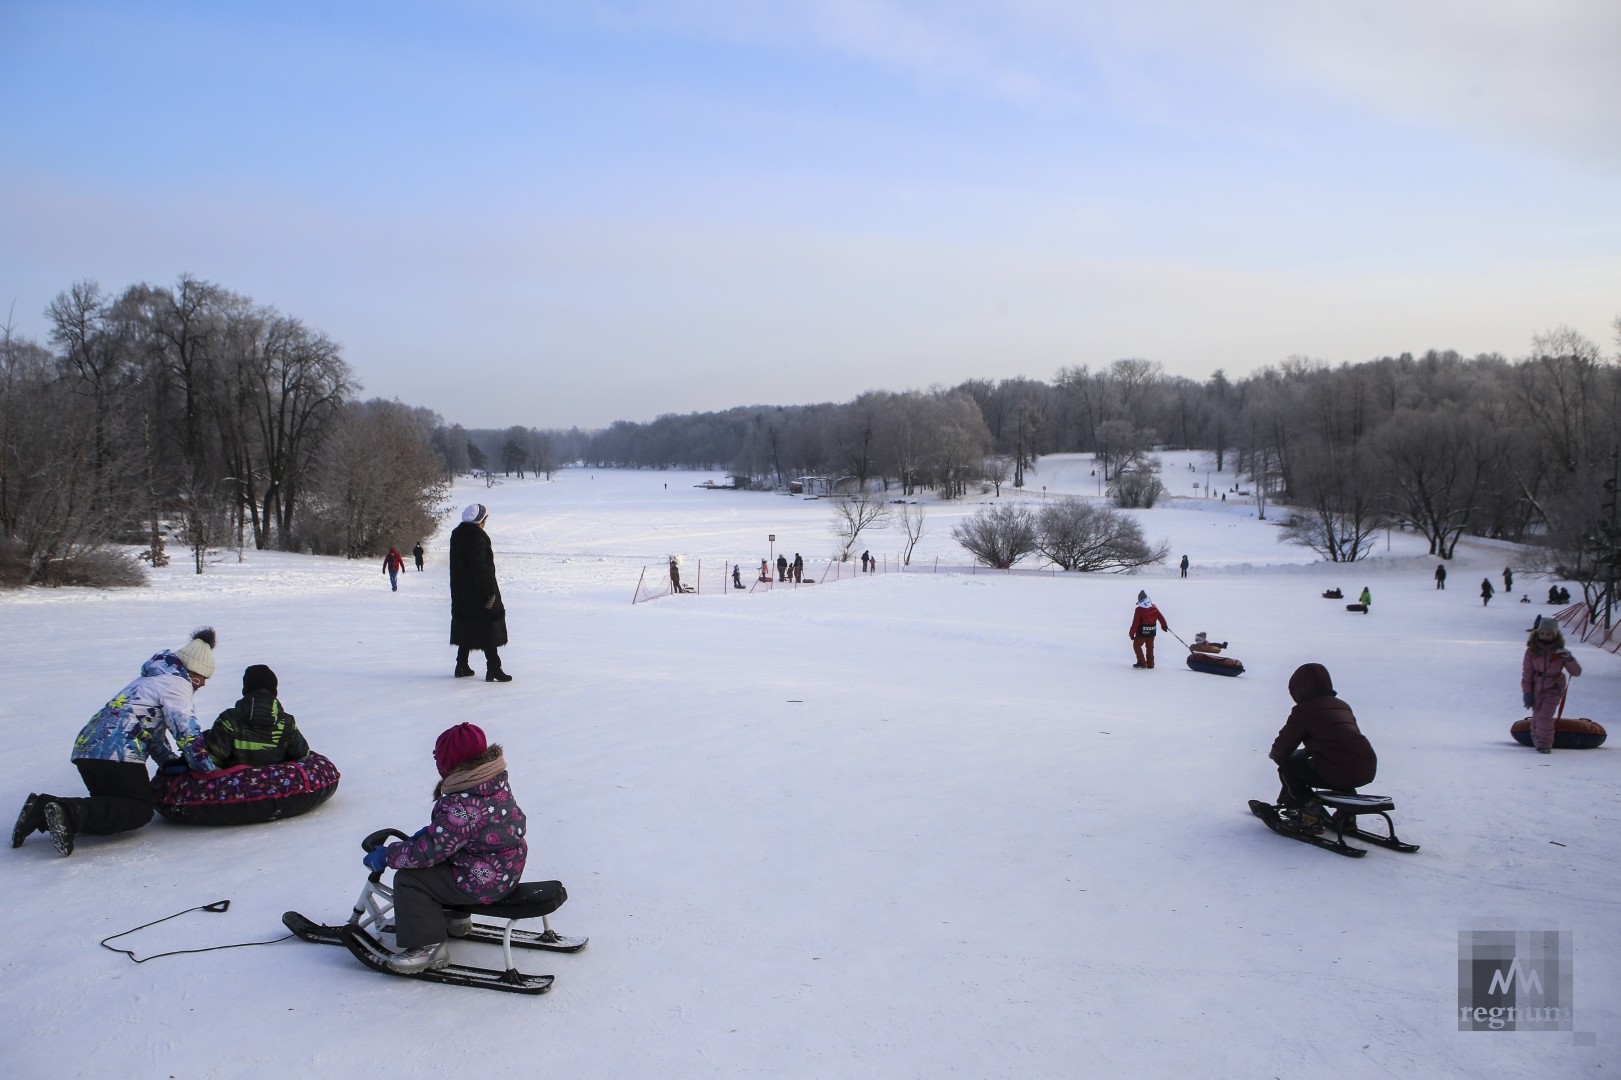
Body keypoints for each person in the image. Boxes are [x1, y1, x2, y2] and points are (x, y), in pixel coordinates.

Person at [13, 628, 219, 856]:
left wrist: (168, 762)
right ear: (192, 673)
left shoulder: (149, 681)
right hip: (116, 753)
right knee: (138, 808)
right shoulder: (176, 684)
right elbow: (186, 730)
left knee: (110, 804)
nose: (201, 686)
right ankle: (67, 812)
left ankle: (41, 808)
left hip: (87, 750)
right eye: (201, 681)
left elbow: (151, 732)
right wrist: (207, 770)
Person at [361, 723, 527, 973]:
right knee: (445, 865)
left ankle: (427, 947)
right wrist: (431, 832)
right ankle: (456, 918)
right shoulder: (491, 782)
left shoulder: (460, 803)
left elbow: (428, 852)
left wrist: (389, 855)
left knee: (411, 880)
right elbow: (467, 832)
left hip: (483, 880)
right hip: (505, 869)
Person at [1268, 663, 1377, 830]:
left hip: (1337, 768)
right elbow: (1336, 740)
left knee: (1288, 768)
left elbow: (1283, 746)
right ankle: (1346, 817)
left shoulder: (1305, 710)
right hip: (1366, 766)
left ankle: (1307, 814)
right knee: (1342, 767)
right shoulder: (1341, 705)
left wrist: (1278, 755)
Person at [202, 664, 310, 768]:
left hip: (235, 785)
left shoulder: (229, 720)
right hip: (276, 785)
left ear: (246, 690)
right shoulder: (287, 723)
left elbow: (210, 761)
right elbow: (303, 757)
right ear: (274, 691)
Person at [449, 503, 511, 682]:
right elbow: (481, 568)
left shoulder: (457, 535)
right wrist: (490, 593)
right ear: (480, 520)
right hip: (479, 592)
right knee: (488, 628)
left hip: (462, 592)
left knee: (467, 625)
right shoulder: (477, 538)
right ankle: (494, 668)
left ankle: (461, 665)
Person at [1521, 619, 1582, 753]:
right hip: (1537, 687)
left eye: (1549, 634)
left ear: (1554, 635)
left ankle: (1544, 744)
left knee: (1544, 716)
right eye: (1542, 633)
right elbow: (1527, 674)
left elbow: (1576, 672)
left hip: (1554, 687)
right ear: (1538, 633)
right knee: (1537, 716)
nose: (1545, 636)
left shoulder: (1560, 652)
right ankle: (1537, 740)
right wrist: (1527, 694)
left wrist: (1569, 659)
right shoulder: (1532, 651)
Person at [1128, 591, 1170, 669]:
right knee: (1150, 647)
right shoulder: (1153, 606)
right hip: (1152, 632)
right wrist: (1164, 625)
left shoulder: (1139, 609)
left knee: (1136, 645)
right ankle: (1150, 664)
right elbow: (1160, 617)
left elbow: (1135, 623)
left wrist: (1131, 633)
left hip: (1142, 633)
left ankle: (1142, 662)